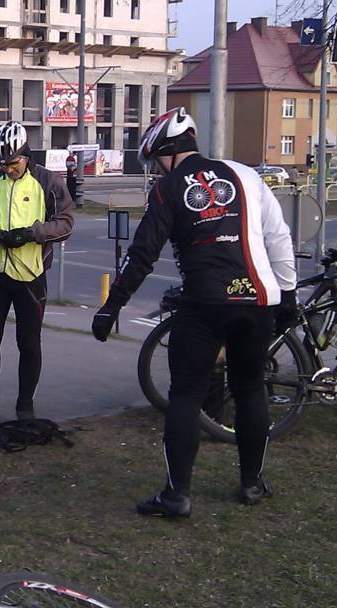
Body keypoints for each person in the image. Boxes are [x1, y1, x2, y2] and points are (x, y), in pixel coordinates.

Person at [91, 107, 296, 518]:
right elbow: (278, 236)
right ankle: (252, 483)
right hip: (258, 301)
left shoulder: (167, 188)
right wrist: (287, 294)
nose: (155, 169)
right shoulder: (246, 174)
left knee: (186, 394)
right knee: (250, 389)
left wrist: (112, 306)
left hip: (204, 304)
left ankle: (177, 496)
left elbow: (142, 253)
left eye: (156, 161)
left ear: (168, 152)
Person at [0, 121, 74, 427]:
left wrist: (33, 233)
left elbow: (66, 223)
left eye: (13, 163)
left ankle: (25, 407)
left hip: (31, 276)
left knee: (29, 343)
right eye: (3, 164)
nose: (8, 169)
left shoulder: (48, 181)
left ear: (26, 154)